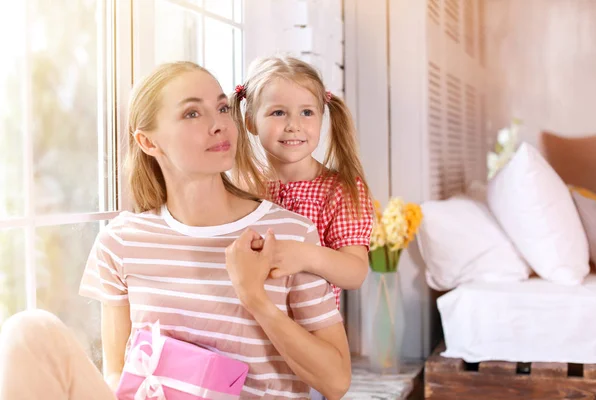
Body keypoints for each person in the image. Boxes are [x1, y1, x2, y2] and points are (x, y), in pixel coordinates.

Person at [0, 61, 351, 400]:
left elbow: (336, 382)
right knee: (28, 332)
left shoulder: (289, 234)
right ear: (148, 142)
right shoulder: (121, 241)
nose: (219, 125)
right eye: (192, 113)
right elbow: (118, 374)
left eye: (222, 109)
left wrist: (255, 298)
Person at [230, 56, 374, 310]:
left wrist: (305, 255)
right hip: (250, 328)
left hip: (310, 334)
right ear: (251, 121)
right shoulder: (242, 186)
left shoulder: (338, 190)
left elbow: (355, 273)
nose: (293, 126)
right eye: (278, 112)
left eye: (306, 112)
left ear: (322, 117)